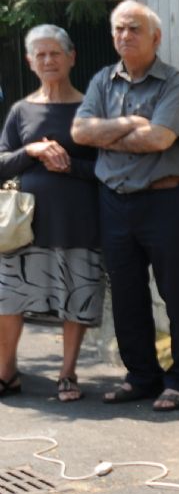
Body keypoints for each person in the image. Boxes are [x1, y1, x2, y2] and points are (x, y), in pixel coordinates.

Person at [71, 0, 179, 412]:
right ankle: (141, 376)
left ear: (155, 37)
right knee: (126, 293)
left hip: (165, 202)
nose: (125, 36)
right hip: (114, 202)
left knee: (177, 293)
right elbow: (79, 132)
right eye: (119, 29)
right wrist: (130, 124)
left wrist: (105, 134)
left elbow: (160, 138)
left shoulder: (175, 83)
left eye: (134, 29)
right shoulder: (102, 81)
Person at [0, 25, 104, 401]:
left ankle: (67, 373)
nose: (48, 60)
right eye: (40, 55)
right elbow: (2, 163)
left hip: (79, 221)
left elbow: (109, 168)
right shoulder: (21, 111)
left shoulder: (91, 110)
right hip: (25, 226)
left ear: (71, 57)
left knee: (77, 298)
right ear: (30, 62)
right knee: (9, 299)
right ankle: (6, 371)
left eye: (55, 53)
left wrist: (70, 165)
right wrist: (32, 151)